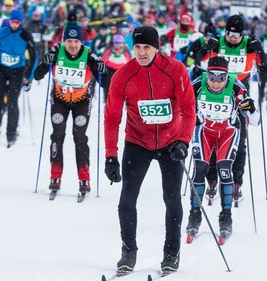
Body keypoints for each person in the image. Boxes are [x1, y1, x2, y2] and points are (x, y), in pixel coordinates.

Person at [103, 26, 196, 275]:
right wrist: (110, 154)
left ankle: (171, 252)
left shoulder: (175, 70)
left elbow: (188, 109)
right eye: (138, 47)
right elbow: (112, 117)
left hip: (171, 143)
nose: (142, 53)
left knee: (172, 199)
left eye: (147, 48)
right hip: (137, 142)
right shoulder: (123, 75)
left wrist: (184, 141)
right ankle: (128, 251)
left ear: (156, 48)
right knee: (126, 200)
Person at [186, 56, 260, 243]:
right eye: (212, 77)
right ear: (207, 74)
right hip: (204, 131)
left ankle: (226, 218)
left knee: (225, 171)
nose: (216, 83)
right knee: (199, 170)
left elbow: (256, 121)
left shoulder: (237, 88)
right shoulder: (197, 85)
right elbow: (181, 106)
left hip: (228, 132)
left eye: (221, 78)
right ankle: (194, 215)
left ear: (227, 76)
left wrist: (251, 110)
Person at [34, 23, 110, 197]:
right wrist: (45, 63)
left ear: (81, 42)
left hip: (81, 101)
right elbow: (37, 75)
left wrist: (104, 72)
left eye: (76, 41)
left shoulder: (89, 56)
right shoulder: (56, 52)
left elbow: (106, 84)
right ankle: (55, 176)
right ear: (64, 41)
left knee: (80, 138)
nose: (73, 45)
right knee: (57, 136)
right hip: (60, 100)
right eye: (69, 41)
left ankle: (84, 178)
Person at [197, 14, 266, 201]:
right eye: (229, 35)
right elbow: (198, 59)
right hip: (216, 92)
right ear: (225, 32)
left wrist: (260, 51)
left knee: (239, 138)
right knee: (211, 135)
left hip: (239, 92)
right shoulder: (217, 42)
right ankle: (212, 179)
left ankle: (236, 182)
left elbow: (262, 65)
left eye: (237, 36)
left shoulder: (248, 44)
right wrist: (206, 47)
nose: (233, 39)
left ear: (242, 34)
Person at [0, 10, 37, 148]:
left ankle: (11, 134)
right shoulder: (2, 32)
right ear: (9, 20)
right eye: (12, 21)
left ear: (21, 22)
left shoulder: (26, 35)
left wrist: (29, 77)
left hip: (17, 70)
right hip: (0, 68)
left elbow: (34, 56)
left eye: (17, 22)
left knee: (13, 102)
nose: (14, 24)